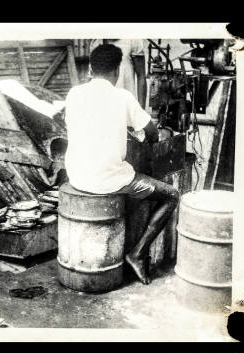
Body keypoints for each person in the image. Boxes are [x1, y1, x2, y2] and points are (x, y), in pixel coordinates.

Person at [64, 44, 180, 285]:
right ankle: (137, 254)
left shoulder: (74, 93)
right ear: (117, 70)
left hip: (76, 175)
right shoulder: (123, 96)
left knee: (123, 174)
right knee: (171, 195)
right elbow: (153, 133)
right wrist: (139, 131)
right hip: (107, 181)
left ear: (90, 70)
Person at [89, 39, 147, 108]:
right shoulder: (97, 41)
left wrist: (141, 110)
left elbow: (141, 76)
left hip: (125, 103)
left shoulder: (133, 40)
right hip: (103, 102)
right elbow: (92, 76)